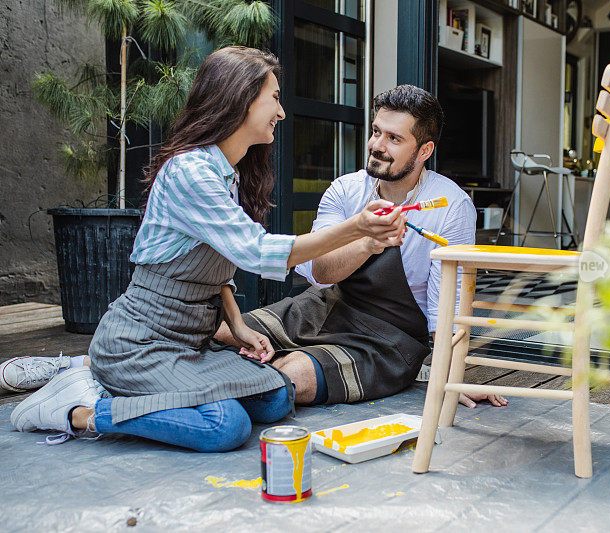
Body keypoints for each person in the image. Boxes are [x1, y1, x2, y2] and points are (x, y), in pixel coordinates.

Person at [9, 46, 405, 452]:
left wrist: (238, 327)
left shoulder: (227, 174)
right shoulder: (190, 173)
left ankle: (146, 395)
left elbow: (220, 270)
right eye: (274, 98)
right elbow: (256, 252)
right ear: (240, 101)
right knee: (224, 426)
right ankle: (78, 409)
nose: (281, 112)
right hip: (140, 344)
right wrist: (357, 227)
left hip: (189, 345)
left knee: (275, 398)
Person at [214, 85, 507, 410]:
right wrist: (369, 241)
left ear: (424, 151)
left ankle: (216, 403)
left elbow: (446, 308)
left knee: (293, 372)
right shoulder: (346, 190)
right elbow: (322, 274)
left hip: (388, 338)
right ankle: (191, 389)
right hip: (326, 305)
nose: (377, 146)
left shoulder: (451, 206)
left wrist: (451, 380)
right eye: (376, 132)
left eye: (394, 139)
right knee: (223, 331)